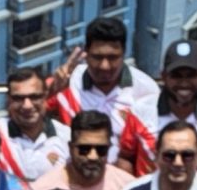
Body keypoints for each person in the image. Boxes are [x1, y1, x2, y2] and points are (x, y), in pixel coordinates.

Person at [49, 17, 159, 172]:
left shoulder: (145, 91)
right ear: (86, 53)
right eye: (97, 57)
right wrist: (52, 91)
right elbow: (31, 116)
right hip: (73, 173)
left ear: (124, 53)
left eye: (113, 58)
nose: (104, 66)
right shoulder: (69, 81)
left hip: (122, 177)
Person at [0, 65, 71, 184]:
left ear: (45, 96)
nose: (27, 105)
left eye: (34, 97)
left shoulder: (66, 137)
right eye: (18, 98)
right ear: (9, 99)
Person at [147, 40, 197, 148]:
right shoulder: (141, 113)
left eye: (191, 75)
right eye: (176, 75)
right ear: (164, 76)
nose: (184, 83)